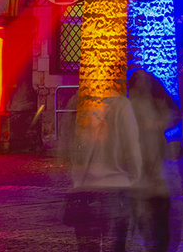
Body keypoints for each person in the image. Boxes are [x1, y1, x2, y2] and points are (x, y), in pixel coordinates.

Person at [65, 92, 141, 252]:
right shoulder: (122, 105)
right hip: (115, 186)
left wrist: (74, 176)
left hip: (85, 187)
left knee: (87, 246)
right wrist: (134, 178)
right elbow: (132, 148)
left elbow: (66, 143)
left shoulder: (78, 100)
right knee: (115, 245)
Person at [128, 70, 179, 251]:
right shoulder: (140, 108)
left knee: (156, 233)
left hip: (152, 184)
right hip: (151, 184)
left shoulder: (146, 108)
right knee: (158, 233)